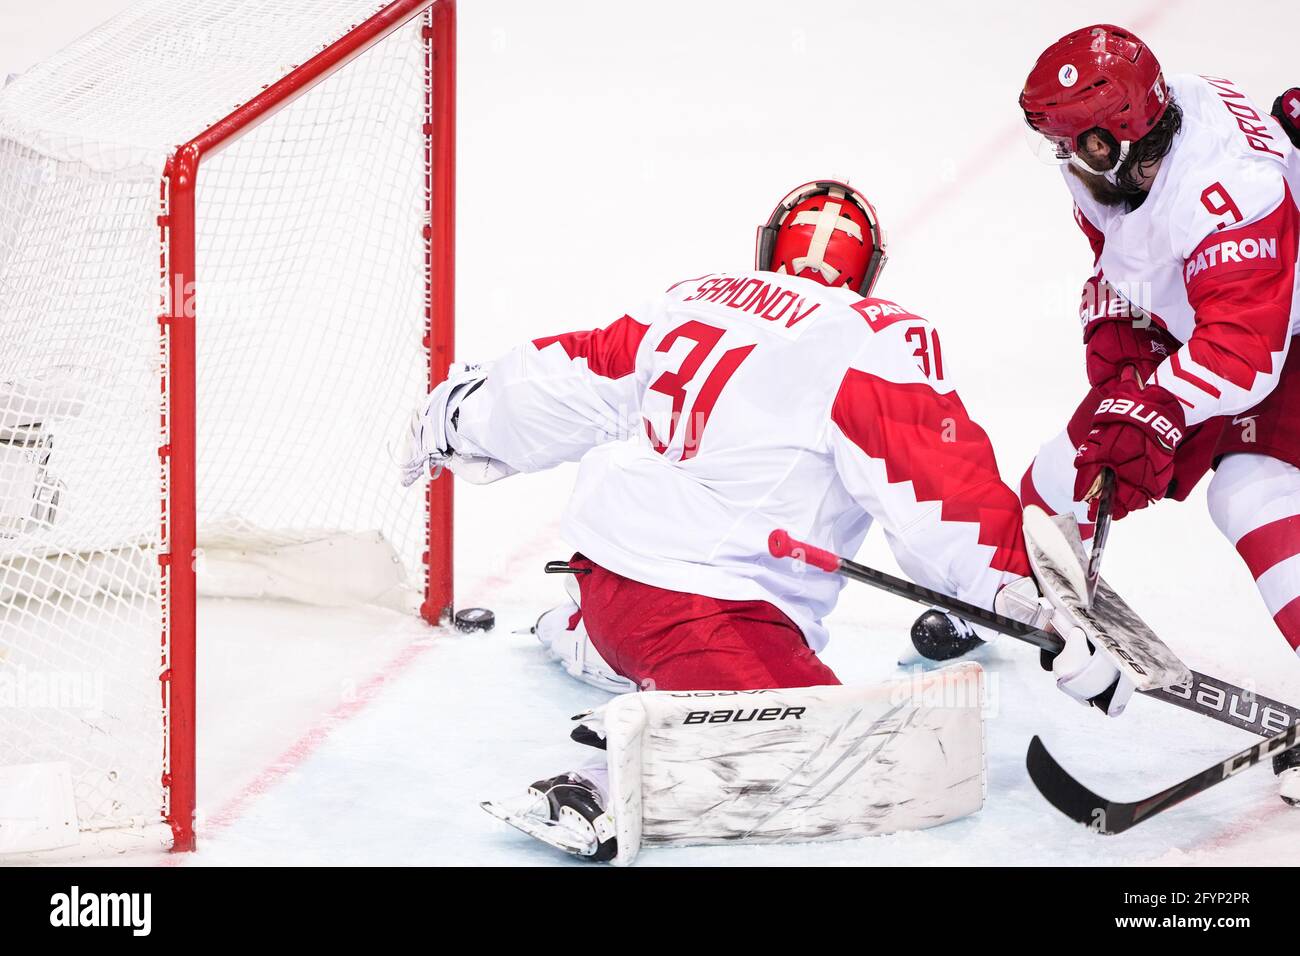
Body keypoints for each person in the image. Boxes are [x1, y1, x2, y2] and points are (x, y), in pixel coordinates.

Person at [397, 181, 1114, 860]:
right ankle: (601, 776)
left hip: (602, 577)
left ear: (770, 247)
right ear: (868, 272)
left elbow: (571, 379)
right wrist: (1035, 604)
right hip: (700, 614)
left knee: (661, 621)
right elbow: (941, 497)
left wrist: (464, 413)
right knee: (851, 754)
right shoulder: (869, 336)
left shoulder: (694, 300)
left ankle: (584, 638)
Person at [949, 24, 1299, 806]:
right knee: (1062, 472)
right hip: (1223, 323)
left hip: (1282, 332)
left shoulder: (1227, 185)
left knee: (1250, 489)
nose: (1065, 159)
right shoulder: (1119, 168)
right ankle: (999, 598)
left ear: (1116, 139)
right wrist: (1121, 365)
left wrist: (1156, 409)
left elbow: (1247, 353)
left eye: (1076, 143)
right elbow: (1126, 261)